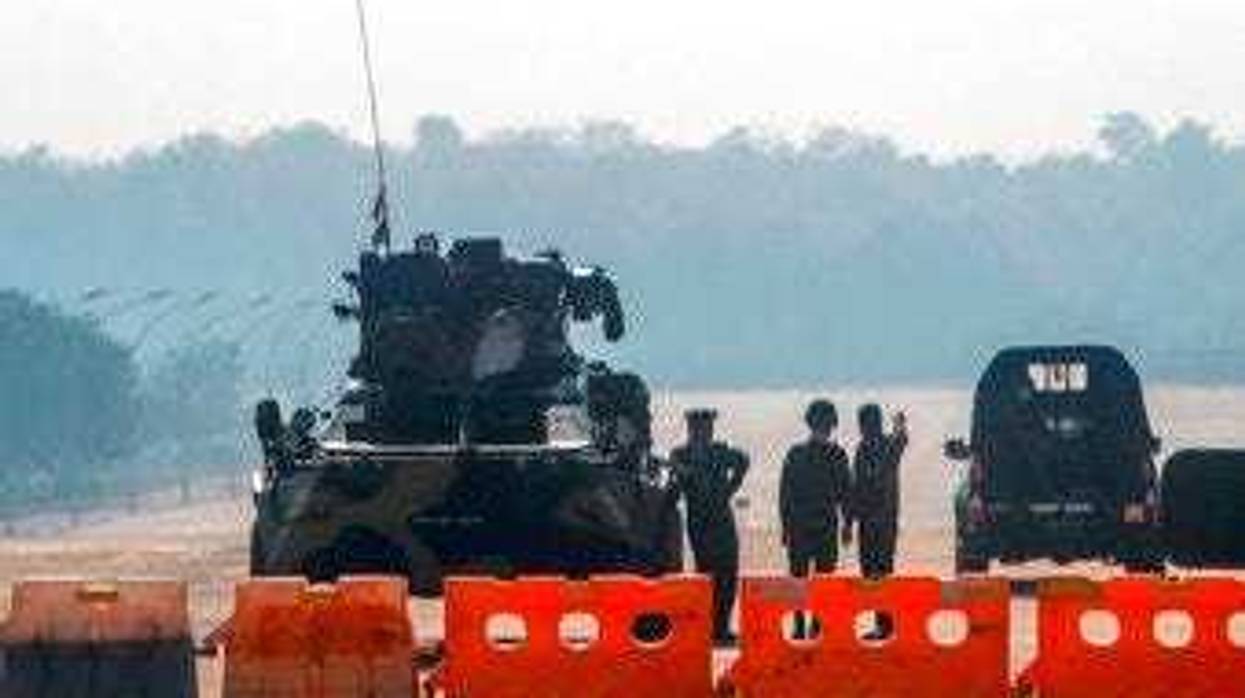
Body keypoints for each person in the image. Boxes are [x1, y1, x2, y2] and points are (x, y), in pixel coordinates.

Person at [670, 408, 749, 644]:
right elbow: (676, 482)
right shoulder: (681, 454)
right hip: (700, 521)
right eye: (700, 427)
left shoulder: (719, 451)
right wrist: (682, 476)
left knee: (729, 574)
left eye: (708, 427)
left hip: (722, 518)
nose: (705, 431)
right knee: (706, 576)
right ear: (691, 429)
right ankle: (708, 627)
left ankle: (722, 627)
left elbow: (743, 460)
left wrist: (730, 488)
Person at [780, 399, 854, 637]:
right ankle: (811, 626)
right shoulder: (836, 454)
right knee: (818, 581)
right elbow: (846, 493)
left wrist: (786, 526)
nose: (825, 426)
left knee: (804, 580)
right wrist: (847, 524)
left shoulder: (797, 453)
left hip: (805, 526)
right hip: (820, 526)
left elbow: (785, 494)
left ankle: (804, 627)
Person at [853, 404, 909, 639]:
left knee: (876, 574)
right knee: (881, 572)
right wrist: (899, 424)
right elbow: (901, 439)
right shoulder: (882, 446)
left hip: (874, 521)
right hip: (882, 520)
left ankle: (884, 625)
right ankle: (885, 624)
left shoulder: (867, 447)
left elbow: (856, 486)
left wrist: (850, 519)